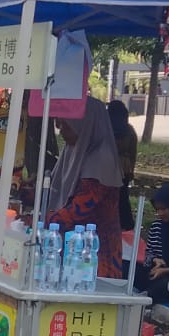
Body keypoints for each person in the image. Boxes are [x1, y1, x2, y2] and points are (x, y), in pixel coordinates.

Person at [45, 96, 125, 280]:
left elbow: (79, 209)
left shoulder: (101, 158)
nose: (61, 132)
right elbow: (55, 190)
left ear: (83, 123)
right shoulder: (74, 150)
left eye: (66, 126)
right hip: (70, 248)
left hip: (95, 254)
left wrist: (39, 221)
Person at [107, 100, 139, 231]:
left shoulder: (106, 128)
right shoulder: (129, 130)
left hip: (107, 167)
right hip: (124, 168)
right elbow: (133, 153)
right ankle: (126, 224)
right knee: (123, 198)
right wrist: (131, 170)